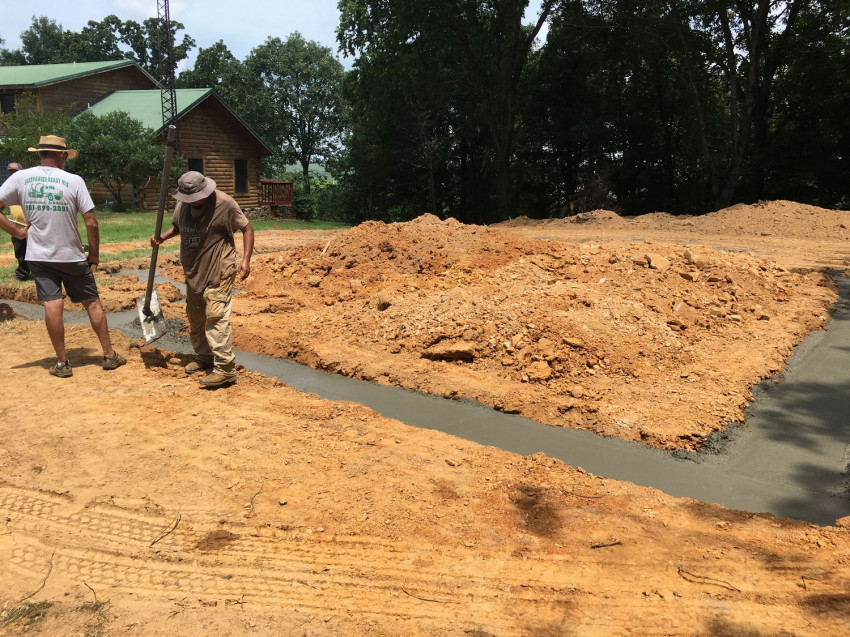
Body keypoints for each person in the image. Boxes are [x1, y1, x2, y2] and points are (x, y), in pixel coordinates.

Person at [0, 135, 126, 378]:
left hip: (39, 255)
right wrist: (95, 255)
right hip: (71, 255)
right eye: (65, 155)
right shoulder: (74, 181)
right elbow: (91, 222)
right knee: (92, 302)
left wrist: (17, 232)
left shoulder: (21, 177)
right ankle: (109, 355)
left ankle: (62, 363)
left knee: (52, 304)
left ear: (40, 154)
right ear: (60, 155)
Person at [150, 171, 254, 389]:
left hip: (219, 269)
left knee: (215, 317)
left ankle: (225, 370)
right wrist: (162, 237)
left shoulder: (225, 204)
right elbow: (177, 227)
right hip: (194, 271)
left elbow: (246, 228)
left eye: (197, 198)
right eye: (189, 199)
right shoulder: (182, 205)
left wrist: (245, 259)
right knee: (196, 317)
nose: (193, 202)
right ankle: (204, 357)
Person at [3, 162, 30, 280]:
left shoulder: (28, 186)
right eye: (10, 172)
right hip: (17, 228)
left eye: (15, 171)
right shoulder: (7, 189)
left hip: (32, 226)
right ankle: (22, 274)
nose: (12, 174)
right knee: (21, 253)